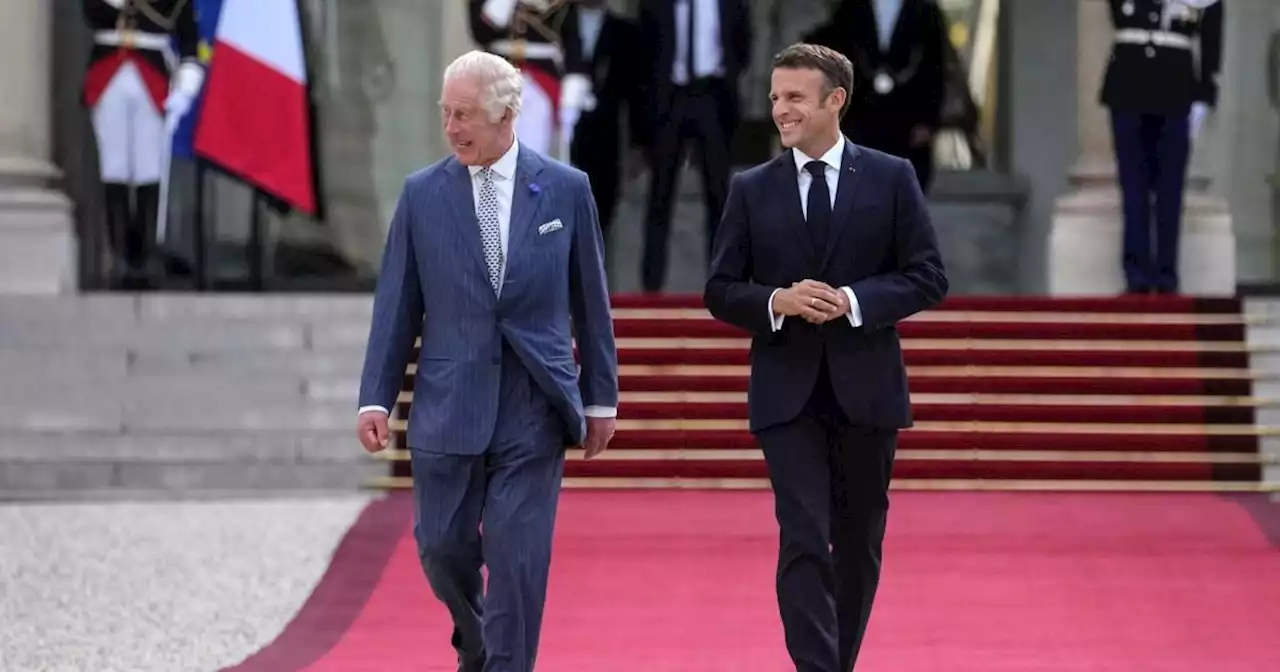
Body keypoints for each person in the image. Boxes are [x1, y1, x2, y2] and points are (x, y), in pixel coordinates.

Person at [355, 50, 619, 672]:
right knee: (441, 547)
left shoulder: (565, 188)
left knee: (518, 557)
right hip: (450, 401)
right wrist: (376, 396)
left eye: (464, 114)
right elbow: (397, 304)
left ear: (506, 115)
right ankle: (476, 641)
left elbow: (592, 298)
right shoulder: (421, 195)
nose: (451, 128)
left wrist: (600, 396)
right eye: (445, 113)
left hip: (535, 401)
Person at [703, 43, 947, 671]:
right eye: (775, 98)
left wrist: (855, 300)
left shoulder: (892, 177)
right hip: (786, 394)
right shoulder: (751, 188)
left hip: (868, 391)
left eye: (794, 98)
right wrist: (778, 299)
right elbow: (720, 289)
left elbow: (927, 276)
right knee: (805, 537)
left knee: (859, 543)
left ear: (835, 101)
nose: (780, 111)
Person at [1098, 0, 1223, 294]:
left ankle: (1166, 274)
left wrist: (1206, 92)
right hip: (1128, 81)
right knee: (1133, 186)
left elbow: (1212, 33)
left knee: (1170, 188)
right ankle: (1136, 274)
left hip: (1175, 84)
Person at [80, 0, 203, 289]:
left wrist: (186, 86)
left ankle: (145, 257)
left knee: (149, 167)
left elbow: (188, 37)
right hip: (109, 69)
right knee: (114, 166)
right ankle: (120, 256)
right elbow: (92, 12)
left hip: (153, 72)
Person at [635, 0, 753, 292]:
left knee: (719, 196)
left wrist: (727, 74)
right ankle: (651, 287)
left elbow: (742, 44)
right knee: (660, 195)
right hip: (669, 100)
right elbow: (643, 54)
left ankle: (723, 284)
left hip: (712, 98)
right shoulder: (655, 6)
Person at [803, 0, 949, 191]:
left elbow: (935, 66)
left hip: (908, 118)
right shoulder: (851, 8)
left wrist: (928, 120)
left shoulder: (925, 9)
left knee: (905, 192)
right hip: (860, 115)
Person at [563, 0, 645, 246]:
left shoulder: (624, 31)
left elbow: (636, 93)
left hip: (605, 138)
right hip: (560, 130)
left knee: (599, 214)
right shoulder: (556, 23)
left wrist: (637, 143)